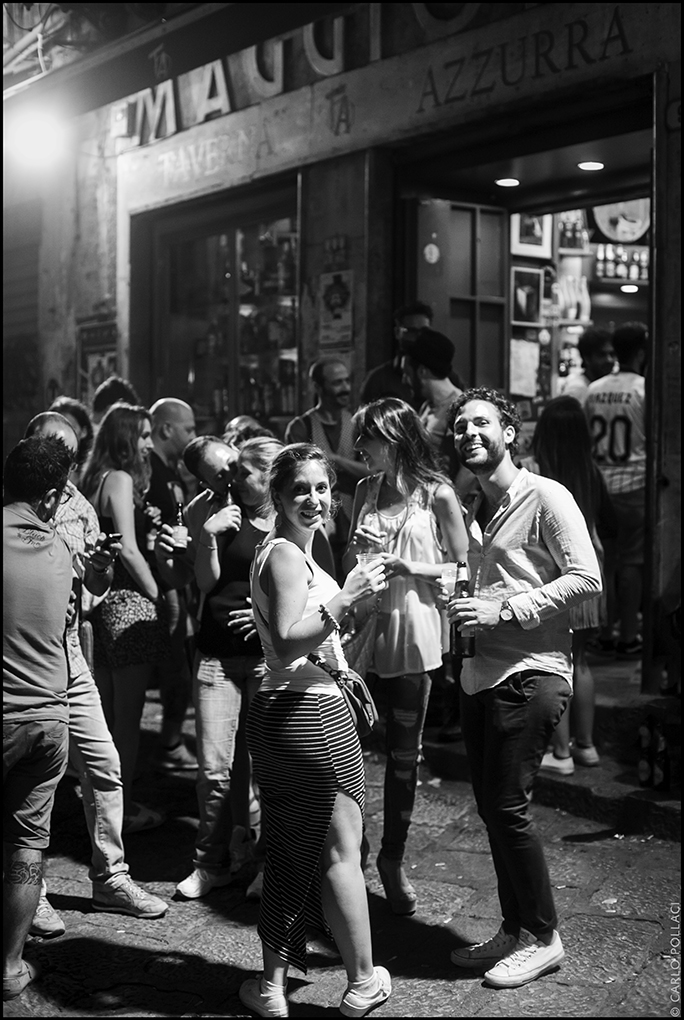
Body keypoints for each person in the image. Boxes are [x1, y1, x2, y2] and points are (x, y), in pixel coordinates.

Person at [445, 387, 601, 988]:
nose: (470, 434)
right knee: (491, 808)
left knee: (509, 807)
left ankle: (545, 936)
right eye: (461, 427)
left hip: (532, 669)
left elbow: (586, 577)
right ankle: (514, 928)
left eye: (482, 423)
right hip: (478, 671)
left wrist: (505, 613)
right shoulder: (468, 503)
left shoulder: (547, 497)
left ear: (510, 432)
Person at [242, 443, 391, 1019]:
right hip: (309, 720)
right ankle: (362, 983)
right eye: (300, 489)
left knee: (289, 850)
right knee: (339, 854)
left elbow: (312, 643)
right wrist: (346, 596)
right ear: (277, 496)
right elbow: (284, 642)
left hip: (287, 714)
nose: (314, 499)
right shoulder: (283, 555)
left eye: (322, 489)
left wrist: (356, 610)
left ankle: (272, 989)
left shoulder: (292, 555)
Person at [23, 413, 168, 934]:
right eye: (52, 448)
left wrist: (103, 566)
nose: (62, 462)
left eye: (70, 452)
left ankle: (110, 877)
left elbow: (93, 584)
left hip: (70, 653)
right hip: (21, 660)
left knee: (104, 764)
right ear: (29, 445)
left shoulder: (77, 503)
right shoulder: (14, 500)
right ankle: (29, 892)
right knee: (31, 783)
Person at [345, 398, 469, 916]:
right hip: (365, 633)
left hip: (414, 633)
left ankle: (392, 859)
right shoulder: (363, 490)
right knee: (345, 752)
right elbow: (351, 560)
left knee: (401, 757)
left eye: (366, 439)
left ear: (393, 436)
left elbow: (465, 570)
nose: (359, 449)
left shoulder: (438, 494)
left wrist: (408, 566)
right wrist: (360, 554)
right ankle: (355, 848)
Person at [169, 437, 283, 903]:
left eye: (242, 472)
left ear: (267, 477)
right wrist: (208, 536)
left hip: (264, 659)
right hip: (216, 656)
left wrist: (263, 625)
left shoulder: (287, 518)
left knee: (268, 770)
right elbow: (204, 582)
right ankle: (209, 864)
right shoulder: (217, 510)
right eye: (230, 471)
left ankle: (267, 863)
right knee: (214, 771)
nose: (233, 479)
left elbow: (310, 586)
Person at [3, 436, 73, 1001]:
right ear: (50, 497)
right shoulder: (60, 552)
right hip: (49, 721)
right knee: (27, 847)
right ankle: (9, 968)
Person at [81, 403, 171, 832]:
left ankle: (102, 812)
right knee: (127, 723)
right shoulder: (118, 478)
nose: (149, 444)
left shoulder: (94, 478)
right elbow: (129, 550)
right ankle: (122, 811)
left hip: (100, 607)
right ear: (125, 438)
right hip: (126, 602)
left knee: (107, 720)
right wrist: (159, 596)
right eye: (144, 436)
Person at [520, 397, 617, 774]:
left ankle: (560, 754)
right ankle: (587, 747)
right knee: (583, 662)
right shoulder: (590, 470)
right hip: (591, 569)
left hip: (555, 577)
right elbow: (611, 526)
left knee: (558, 662)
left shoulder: (533, 470)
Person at [585, 322, 648, 658]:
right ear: (640, 352)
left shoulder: (593, 389)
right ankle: (628, 635)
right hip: (635, 484)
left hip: (600, 486)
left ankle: (604, 632)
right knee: (632, 564)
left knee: (604, 562)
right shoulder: (644, 389)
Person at [147, 398, 198, 772]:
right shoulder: (147, 470)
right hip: (161, 583)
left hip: (173, 580)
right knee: (173, 666)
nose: (193, 436)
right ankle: (166, 743)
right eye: (189, 429)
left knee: (178, 665)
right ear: (166, 429)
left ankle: (168, 740)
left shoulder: (170, 468)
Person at [284, 358, 367, 580]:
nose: (346, 388)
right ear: (319, 387)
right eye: (337, 383)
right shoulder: (301, 427)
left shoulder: (356, 424)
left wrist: (335, 460)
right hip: (315, 523)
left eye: (347, 381)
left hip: (353, 521)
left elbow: (372, 471)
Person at [400, 327, 463, 478]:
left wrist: (449, 501)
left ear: (422, 371)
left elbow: (469, 472)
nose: (404, 380)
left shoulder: (460, 407)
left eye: (407, 374)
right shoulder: (426, 407)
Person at [359, 301, 433, 407]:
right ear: (398, 333)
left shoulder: (443, 377)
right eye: (412, 331)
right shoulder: (378, 380)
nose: (419, 337)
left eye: (425, 331)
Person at [558, 327, 615, 406]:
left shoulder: (608, 387)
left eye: (612, 354)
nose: (609, 360)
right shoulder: (577, 391)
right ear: (587, 359)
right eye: (601, 355)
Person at [48, 396, 95, 486]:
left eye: (70, 427)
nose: (62, 434)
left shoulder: (92, 474)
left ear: (84, 432)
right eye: (57, 427)